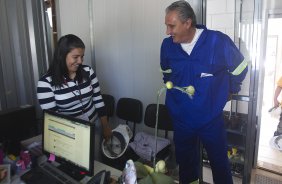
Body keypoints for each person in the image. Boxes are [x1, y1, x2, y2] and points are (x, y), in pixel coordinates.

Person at [160, 1, 248, 184]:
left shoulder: (217, 41)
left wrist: (231, 89)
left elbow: (240, 68)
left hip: (211, 120)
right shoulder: (167, 46)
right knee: (186, 166)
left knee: (220, 165)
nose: (168, 31)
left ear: (187, 23)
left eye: (171, 26)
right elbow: (166, 73)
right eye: (167, 26)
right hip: (182, 121)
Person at [37, 34, 112, 161]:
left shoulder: (88, 72)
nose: (80, 61)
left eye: (82, 57)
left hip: (94, 125)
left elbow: (98, 99)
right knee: (78, 167)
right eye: (75, 57)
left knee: (95, 162)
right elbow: (53, 120)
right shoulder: (46, 83)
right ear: (62, 56)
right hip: (70, 134)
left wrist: (105, 127)